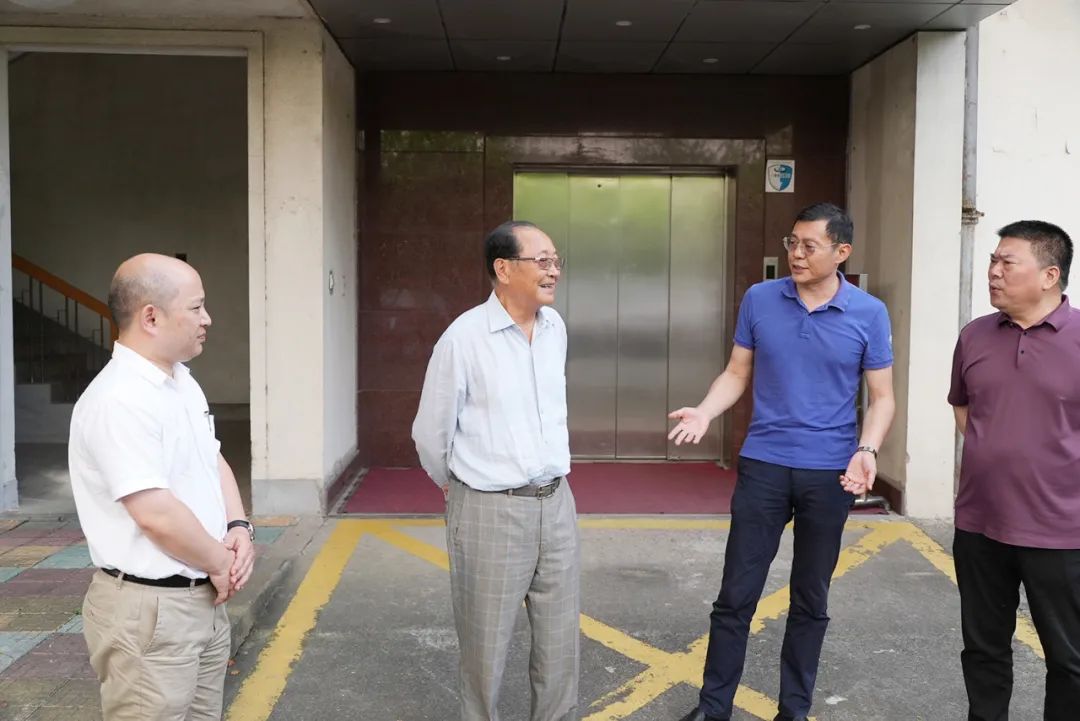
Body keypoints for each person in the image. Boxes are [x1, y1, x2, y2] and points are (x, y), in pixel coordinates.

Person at [669, 203, 896, 721]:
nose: (796, 254)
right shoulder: (760, 298)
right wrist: (705, 412)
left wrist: (866, 450)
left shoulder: (869, 313)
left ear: (842, 252)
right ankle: (713, 708)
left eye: (809, 246)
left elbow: (882, 398)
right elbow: (736, 372)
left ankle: (793, 710)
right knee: (736, 594)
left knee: (810, 600)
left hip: (830, 473)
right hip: (764, 465)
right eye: (792, 242)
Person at [69, 253, 255, 721]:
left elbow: (211, 458)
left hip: (201, 599)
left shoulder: (180, 382)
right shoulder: (119, 400)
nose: (207, 319)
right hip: (149, 612)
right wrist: (221, 563)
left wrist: (238, 526)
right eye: (196, 307)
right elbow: (155, 513)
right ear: (150, 317)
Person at [412, 221, 578, 721]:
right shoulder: (463, 339)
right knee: (485, 649)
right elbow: (430, 433)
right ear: (503, 269)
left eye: (555, 260)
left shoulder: (554, 329)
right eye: (541, 260)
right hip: (490, 509)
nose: (553, 270)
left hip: (556, 503)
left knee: (560, 645)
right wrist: (456, 485)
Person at [948, 220, 1079, 721]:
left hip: (1062, 531)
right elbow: (965, 409)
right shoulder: (975, 335)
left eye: (1007, 262)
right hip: (980, 524)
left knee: (1069, 661)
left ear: (1049, 275)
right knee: (983, 651)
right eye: (992, 261)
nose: (994, 272)